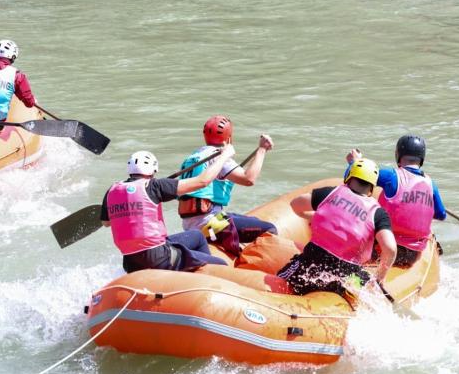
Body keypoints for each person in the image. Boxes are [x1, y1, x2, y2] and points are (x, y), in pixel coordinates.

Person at [101, 145, 237, 273]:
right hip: (159, 257)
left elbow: (106, 223)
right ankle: (205, 275)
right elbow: (203, 181)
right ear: (153, 170)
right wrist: (224, 156)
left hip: (130, 262)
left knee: (197, 235)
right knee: (221, 264)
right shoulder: (155, 186)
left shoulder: (111, 191)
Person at [277, 158, 397, 298]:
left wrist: (313, 216)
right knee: (364, 282)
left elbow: (295, 204)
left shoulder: (330, 193)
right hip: (346, 275)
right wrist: (380, 277)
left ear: (349, 176)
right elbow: (390, 248)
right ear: (372, 187)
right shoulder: (378, 213)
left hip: (311, 264)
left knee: (280, 279)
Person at [178, 115, 277, 253]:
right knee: (270, 229)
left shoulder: (193, 157)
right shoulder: (219, 156)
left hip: (190, 225)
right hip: (209, 224)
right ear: (228, 138)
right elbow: (249, 179)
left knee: (253, 219)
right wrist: (262, 149)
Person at [346, 135, 446, 267]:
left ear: (398, 155)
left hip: (382, 248)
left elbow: (359, 177)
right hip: (411, 256)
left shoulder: (391, 176)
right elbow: (441, 214)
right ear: (422, 159)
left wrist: (354, 162)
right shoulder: (431, 184)